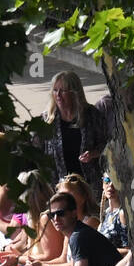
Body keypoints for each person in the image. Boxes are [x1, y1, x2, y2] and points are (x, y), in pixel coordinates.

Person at [39, 70, 114, 205]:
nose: (58, 95)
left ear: (75, 92)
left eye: (63, 91)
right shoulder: (46, 120)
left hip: (89, 187)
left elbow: (108, 144)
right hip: (59, 189)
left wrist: (94, 153)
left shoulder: (92, 115)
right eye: (55, 91)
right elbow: (36, 153)